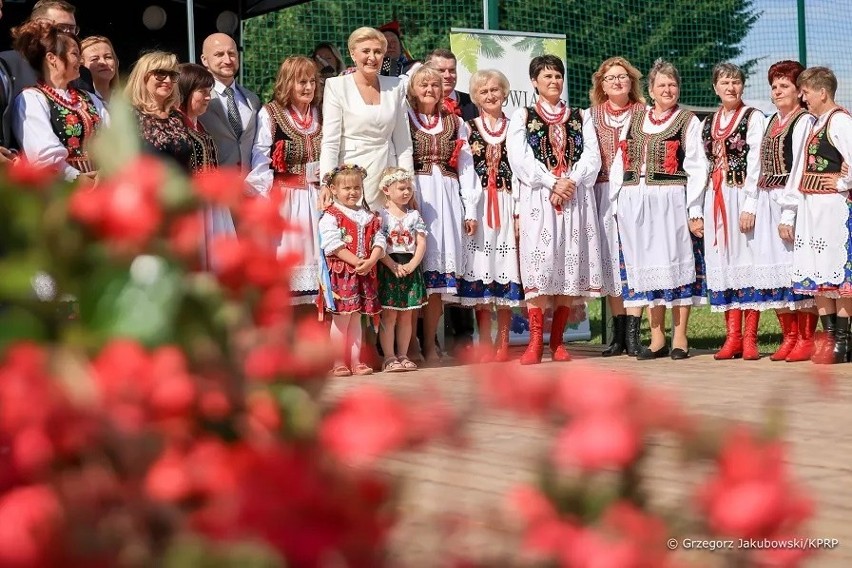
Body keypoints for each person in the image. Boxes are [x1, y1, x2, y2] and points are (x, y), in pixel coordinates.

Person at [507, 54, 603, 365]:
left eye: (558, 76)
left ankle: (558, 342)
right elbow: (519, 159)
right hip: (539, 199)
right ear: (534, 82)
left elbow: (592, 157)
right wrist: (552, 182)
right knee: (540, 265)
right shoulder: (522, 115)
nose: (554, 81)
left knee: (567, 267)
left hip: (574, 199)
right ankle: (535, 342)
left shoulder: (581, 116)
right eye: (547, 76)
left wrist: (570, 180)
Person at [609, 59, 707, 360]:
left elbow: (696, 167)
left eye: (672, 84)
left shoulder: (687, 120)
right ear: (651, 90)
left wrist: (694, 210)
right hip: (635, 200)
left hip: (671, 199)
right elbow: (620, 160)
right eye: (661, 85)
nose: (668, 89)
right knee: (647, 269)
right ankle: (656, 338)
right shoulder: (635, 118)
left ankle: (680, 337)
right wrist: (615, 202)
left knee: (676, 265)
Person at [700, 63, 775, 360]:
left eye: (735, 82)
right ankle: (731, 338)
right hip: (715, 197)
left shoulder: (753, 117)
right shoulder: (707, 122)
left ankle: (750, 339)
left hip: (742, 194)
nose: (730, 87)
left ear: (743, 86)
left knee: (747, 261)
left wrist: (749, 204)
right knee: (723, 263)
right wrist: (696, 209)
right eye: (724, 82)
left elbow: (756, 162)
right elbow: (698, 166)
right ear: (715, 87)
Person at [407, 65, 480, 364]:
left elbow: (465, 167)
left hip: (447, 198)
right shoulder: (405, 119)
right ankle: (410, 341)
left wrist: (470, 208)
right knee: (414, 273)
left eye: (435, 85)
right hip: (416, 195)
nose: (430, 90)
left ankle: (430, 341)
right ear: (413, 88)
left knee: (437, 277)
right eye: (423, 84)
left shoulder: (455, 122)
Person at [780, 66, 852, 364]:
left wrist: (843, 182)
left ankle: (845, 342)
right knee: (817, 272)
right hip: (812, 209)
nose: (803, 97)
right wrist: (790, 210)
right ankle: (831, 338)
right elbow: (799, 170)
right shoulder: (815, 123)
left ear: (822, 92)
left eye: (806, 91)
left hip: (833, 209)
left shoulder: (840, 122)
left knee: (838, 273)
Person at [247, 56, 323, 309]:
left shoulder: (322, 113)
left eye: (312, 81)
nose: (308, 87)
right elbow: (261, 157)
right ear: (287, 83)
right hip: (287, 201)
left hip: (318, 199)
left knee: (320, 278)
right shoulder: (270, 113)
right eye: (302, 82)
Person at [459, 69, 523, 362]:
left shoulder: (517, 126)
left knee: (507, 268)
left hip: (509, 203)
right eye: (484, 91)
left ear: (505, 92)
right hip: (481, 204)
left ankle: (504, 341)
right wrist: (470, 209)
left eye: (495, 90)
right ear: (475, 97)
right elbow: (465, 171)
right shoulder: (467, 127)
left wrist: (521, 210)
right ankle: (483, 339)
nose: (490, 95)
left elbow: (523, 172)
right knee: (483, 268)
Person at [760, 61, 818, 362]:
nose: (778, 91)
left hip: (791, 201)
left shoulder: (803, 121)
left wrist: (788, 213)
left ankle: (806, 338)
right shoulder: (771, 122)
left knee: (797, 268)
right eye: (774, 86)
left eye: (784, 86)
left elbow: (797, 169)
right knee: (774, 270)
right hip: (767, 199)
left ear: (799, 91)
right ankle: (789, 336)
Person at [588, 56, 646, 357]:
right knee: (611, 261)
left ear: (631, 81)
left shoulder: (644, 113)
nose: (618, 81)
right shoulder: (592, 115)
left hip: (634, 191)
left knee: (634, 259)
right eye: (611, 78)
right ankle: (618, 335)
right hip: (601, 192)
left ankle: (635, 335)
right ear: (602, 84)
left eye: (622, 76)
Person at [319, 27, 413, 212]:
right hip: (350, 179)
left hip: (388, 177)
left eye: (378, 52)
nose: (372, 57)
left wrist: (408, 185)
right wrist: (326, 182)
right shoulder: (336, 86)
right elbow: (330, 141)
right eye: (366, 51)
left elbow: (404, 144)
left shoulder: (396, 87)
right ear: (352, 53)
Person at [11, 19, 106, 183]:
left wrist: (105, 173)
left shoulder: (89, 98)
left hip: (103, 184)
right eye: (75, 54)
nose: (81, 61)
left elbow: (113, 137)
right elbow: (42, 155)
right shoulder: (32, 99)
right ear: (52, 58)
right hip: (61, 189)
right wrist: (78, 179)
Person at [318, 164, 386, 377]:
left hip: (364, 272)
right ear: (334, 190)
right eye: (346, 188)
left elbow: (379, 238)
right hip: (343, 274)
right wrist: (357, 261)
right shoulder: (331, 215)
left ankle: (356, 361)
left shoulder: (367, 215)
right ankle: (338, 361)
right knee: (341, 319)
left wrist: (373, 258)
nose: (352, 192)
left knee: (357, 318)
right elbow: (332, 244)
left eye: (356, 187)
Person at [0, 0, 91, 152]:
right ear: (37, 27)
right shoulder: (7, 64)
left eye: (72, 29)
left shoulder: (83, 74)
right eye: (61, 28)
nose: (68, 35)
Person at [376, 167, 427, 372]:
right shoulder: (381, 216)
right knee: (389, 315)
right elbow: (377, 245)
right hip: (389, 265)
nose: (407, 192)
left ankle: (403, 354)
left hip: (409, 265)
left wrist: (412, 265)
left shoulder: (414, 215)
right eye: (401, 188)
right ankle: (389, 356)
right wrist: (391, 264)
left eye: (409, 188)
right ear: (387, 190)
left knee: (406, 316)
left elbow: (421, 243)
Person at [198, 32, 261, 174]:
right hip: (213, 188)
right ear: (204, 59)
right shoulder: (197, 99)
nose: (227, 60)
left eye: (232, 53)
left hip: (249, 188)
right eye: (219, 54)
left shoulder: (253, 100)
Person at [126, 51, 195, 172]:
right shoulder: (129, 116)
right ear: (143, 77)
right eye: (160, 73)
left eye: (172, 75)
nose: (168, 80)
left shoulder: (177, 117)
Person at [423, 49, 478, 121]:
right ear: (427, 72)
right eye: (441, 71)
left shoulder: (472, 103)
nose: (447, 75)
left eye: (452, 70)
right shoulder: (419, 104)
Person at [80, 35, 118, 104]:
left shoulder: (127, 102)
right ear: (81, 65)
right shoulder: (79, 102)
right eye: (95, 59)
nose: (103, 62)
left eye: (108, 57)